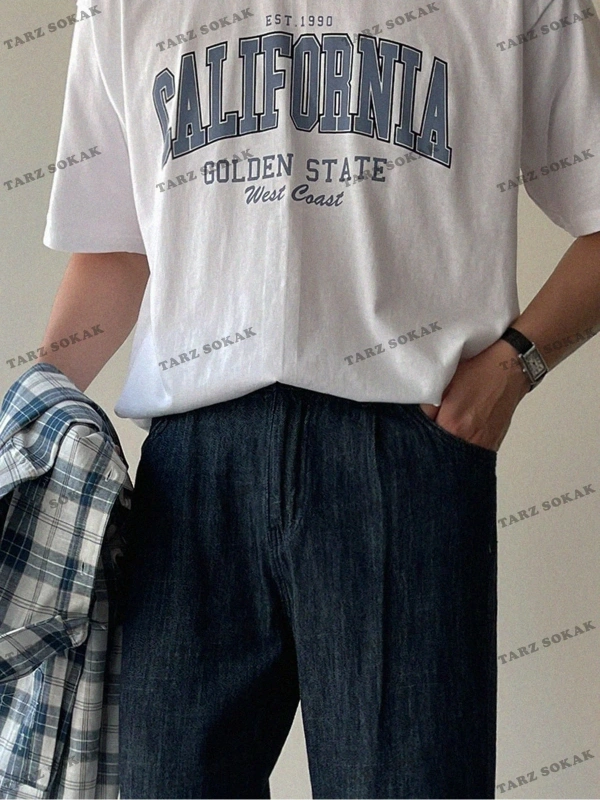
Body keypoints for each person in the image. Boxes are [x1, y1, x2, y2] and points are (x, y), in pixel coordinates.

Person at [39, 1, 600, 797]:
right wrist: (28, 427)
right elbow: (114, 252)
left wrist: (515, 367)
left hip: (407, 448)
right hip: (190, 474)